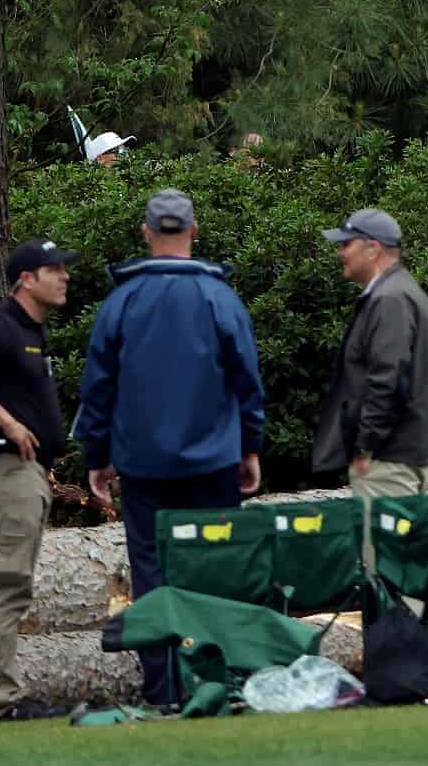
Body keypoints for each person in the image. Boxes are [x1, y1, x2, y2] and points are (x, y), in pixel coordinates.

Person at [75, 189, 266, 705]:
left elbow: (97, 387)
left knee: (153, 575)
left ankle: (164, 690)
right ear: (194, 231)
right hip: (213, 461)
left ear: (145, 233)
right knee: (215, 570)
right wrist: (250, 447)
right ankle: (216, 684)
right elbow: (248, 381)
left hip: (144, 465)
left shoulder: (123, 301)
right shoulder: (219, 298)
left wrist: (96, 456)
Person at [0, 240, 81, 722]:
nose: (65, 276)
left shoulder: (31, 331)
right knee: (9, 587)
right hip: (5, 472)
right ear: (25, 280)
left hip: (26, 472)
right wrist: (9, 423)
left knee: (13, 587)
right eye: (53, 269)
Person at [312, 210, 428, 511]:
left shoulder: (390, 299)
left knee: (380, 557)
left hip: (387, 461)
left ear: (373, 248)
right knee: (400, 556)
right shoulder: (402, 291)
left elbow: (389, 379)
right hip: (401, 455)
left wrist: (366, 447)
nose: (340, 252)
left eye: (346, 244)